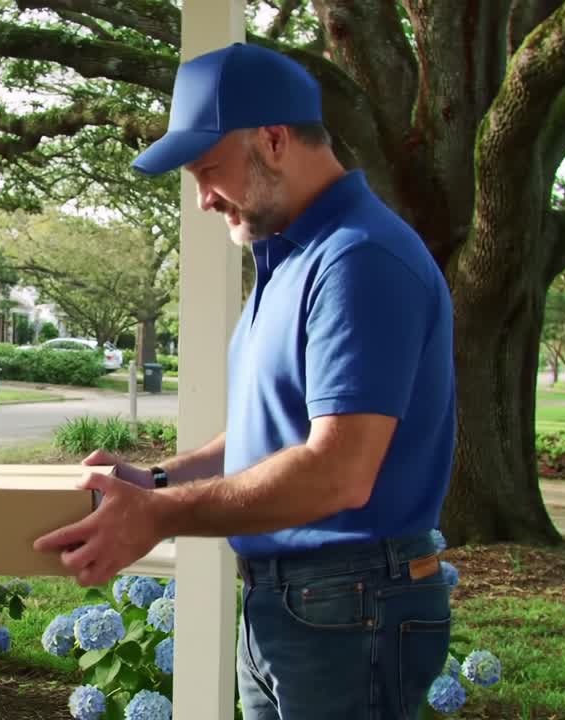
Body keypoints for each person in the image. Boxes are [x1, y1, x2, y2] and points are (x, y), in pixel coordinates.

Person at [34, 43, 457, 719]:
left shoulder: (358, 260)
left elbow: (338, 472)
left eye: (208, 170)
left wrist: (160, 517)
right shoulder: (290, 256)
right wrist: (157, 480)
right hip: (298, 604)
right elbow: (270, 434)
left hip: (351, 607)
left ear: (274, 139)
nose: (202, 199)